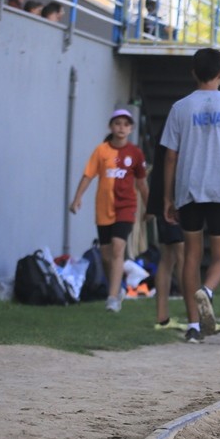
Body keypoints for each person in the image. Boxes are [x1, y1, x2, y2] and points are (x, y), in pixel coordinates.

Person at [162, 48, 220, 343]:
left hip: (188, 190)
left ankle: (193, 325)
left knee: (191, 256)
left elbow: (170, 157)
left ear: (193, 73)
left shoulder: (180, 108)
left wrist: (167, 197)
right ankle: (209, 290)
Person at [68, 109, 148, 313]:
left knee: (118, 248)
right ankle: (118, 287)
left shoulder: (135, 153)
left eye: (126, 124)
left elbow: (141, 183)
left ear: (131, 129)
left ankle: (112, 298)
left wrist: (150, 206)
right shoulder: (101, 151)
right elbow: (88, 175)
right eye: (118, 123)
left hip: (126, 207)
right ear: (111, 126)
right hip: (104, 208)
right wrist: (77, 198)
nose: (121, 127)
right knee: (106, 255)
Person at [145, 116, 185, 331]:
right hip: (171, 201)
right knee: (181, 255)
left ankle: (163, 318)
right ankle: (195, 317)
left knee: (168, 257)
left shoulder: (171, 123)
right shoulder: (177, 124)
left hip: (165, 199)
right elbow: (170, 160)